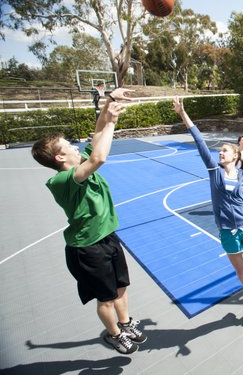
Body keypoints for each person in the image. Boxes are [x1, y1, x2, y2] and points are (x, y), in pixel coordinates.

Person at [30, 88, 147, 355]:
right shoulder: (61, 181)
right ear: (60, 158)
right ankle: (115, 334)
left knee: (120, 287)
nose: (75, 146)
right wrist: (113, 121)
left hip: (108, 237)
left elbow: (96, 137)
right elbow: (100, 155)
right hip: (87, 248)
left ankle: (126, 323)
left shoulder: (79, 163)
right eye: (68, 146)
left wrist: (110, 101)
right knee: (105, 298)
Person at [172, 97, 243, 310]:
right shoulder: (214, 171)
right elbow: (199, 141)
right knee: (239, 268)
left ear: (235, 156)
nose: (220, 153)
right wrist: (182, 114)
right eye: (220, 151)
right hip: (226, 229)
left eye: (224, 151)